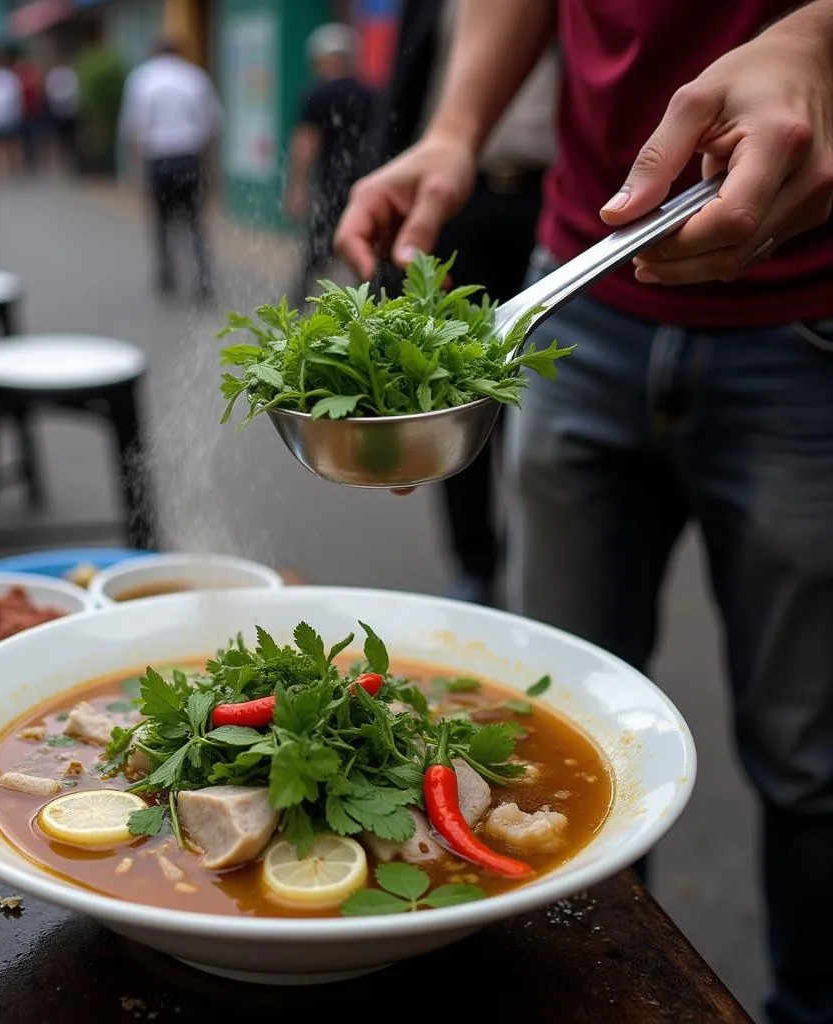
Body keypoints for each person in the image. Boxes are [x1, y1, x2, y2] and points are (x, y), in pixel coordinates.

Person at [334, 2, 833, 1023]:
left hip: (808, 322)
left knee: (810, 760)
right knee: (547, 724)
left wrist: (816, 38)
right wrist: (453, 129)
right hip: (572, 304)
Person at [370, 0, 557, 606]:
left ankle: (537, 563)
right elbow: (407, 87)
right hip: (455, 198)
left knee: (540, 397)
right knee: (448, 391)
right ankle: (475, 563)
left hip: (554, 201)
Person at [118, 37, 222, 303]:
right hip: (188, 157)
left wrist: (135, 169)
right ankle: (203, 278)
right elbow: (210, 125)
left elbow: (135, 127)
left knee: (161, 221)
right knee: (195, 221)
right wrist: (207, 164)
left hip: (160, 159)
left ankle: (167, 278)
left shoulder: (142, 78)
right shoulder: (195, 77)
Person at [285, 23, 375, 308]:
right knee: (365, 254)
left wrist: (297, 187)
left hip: (332, 186)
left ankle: (297, 312)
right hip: (368, 185)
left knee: (315, 255)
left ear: (321, 58)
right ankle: (369, 312)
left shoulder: (316, 94)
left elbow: (306, 143)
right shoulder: (370, 93)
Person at [45, 60, 80, 173]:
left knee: (69, 136)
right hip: (57, 110)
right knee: (58, 137)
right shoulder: (56, 74)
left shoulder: (70, 74)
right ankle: (60, 158)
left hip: (69, 110)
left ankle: (69, 156)